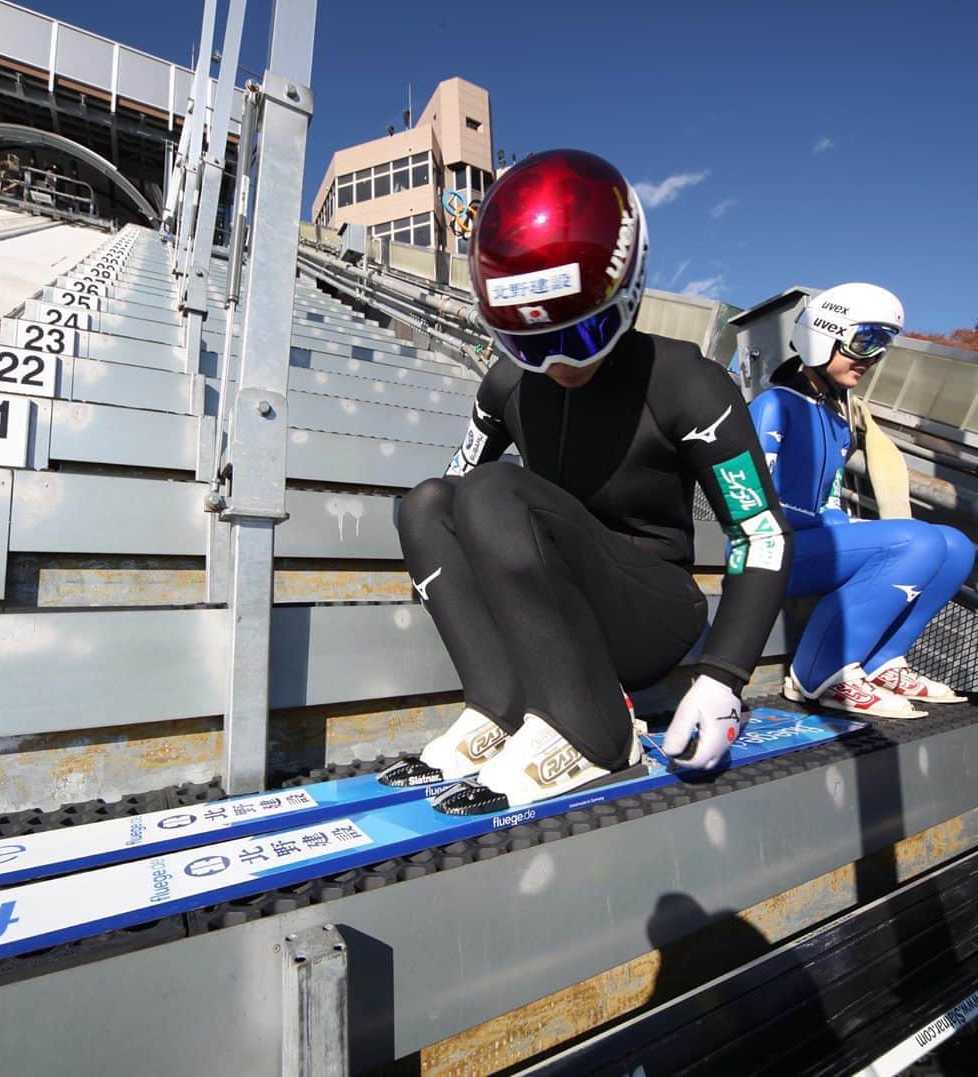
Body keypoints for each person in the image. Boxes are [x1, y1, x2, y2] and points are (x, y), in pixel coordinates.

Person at [380, 149, 793, 812]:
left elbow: (760, 533)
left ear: (628, 292)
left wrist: (723, 678)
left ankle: (596, 736)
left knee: (490, 489)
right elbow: (452, 505)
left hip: (653, 610)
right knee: (427, 503)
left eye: (589, 333)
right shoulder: (506, 386)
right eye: (533, 345)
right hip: (555, 611)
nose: (563, 364)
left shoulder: (687, 381)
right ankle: (500, 707)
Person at [748, 283, 974, 717]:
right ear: (825, 334)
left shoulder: (838, 416)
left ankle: (882, 661)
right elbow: (755, 504)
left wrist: (840, 524)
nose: (871, 358)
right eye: (864, 341)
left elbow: (821, 504)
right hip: (769, 548)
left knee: (955, 546)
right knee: (917, 541)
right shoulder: (777, 403)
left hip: (813, 537)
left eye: (882, 345)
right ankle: (818, 673)